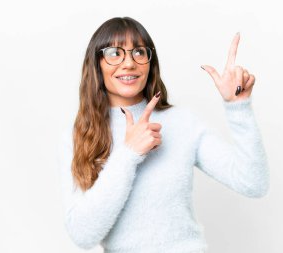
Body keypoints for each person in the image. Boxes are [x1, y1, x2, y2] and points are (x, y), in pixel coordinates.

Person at [57, 16, 269, 253]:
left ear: (150, 62)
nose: (129, 63)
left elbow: (253, 183)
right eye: (115, 53)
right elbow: (82, 236)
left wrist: (238, 106)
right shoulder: (78, 136)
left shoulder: (181, 123)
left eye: (139, 52)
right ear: (97, 63)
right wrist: (128, 154)